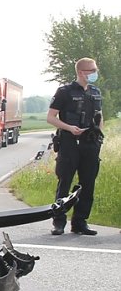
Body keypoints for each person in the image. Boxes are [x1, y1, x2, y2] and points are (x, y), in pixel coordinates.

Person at [46, 57, 104, 236]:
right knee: (65, 182)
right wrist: (70, 128)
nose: (95, 73)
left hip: (90, 143)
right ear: (81, 72)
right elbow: (51, 117)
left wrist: (99, 134)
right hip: (69, 142)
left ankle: (80, 223)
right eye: (92, 70)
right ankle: (59, 222)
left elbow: (100, 115)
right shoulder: (64, 92)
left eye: (95, 70)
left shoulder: (95, 92)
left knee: (88, 183)